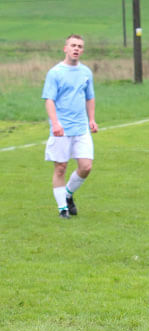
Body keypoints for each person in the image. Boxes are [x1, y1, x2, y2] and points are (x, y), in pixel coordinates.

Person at [42, 34, 98, 219]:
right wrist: (55, 123)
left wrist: (92, 119)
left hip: (81, 128)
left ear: (82, 50)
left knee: (86, 167)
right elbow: (49, 100)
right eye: (73, 45)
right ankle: (62, 209)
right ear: (65, 48)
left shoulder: (86, 72)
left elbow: (89, 97)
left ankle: (68, 194)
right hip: (62, 130)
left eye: (80, 46)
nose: (76, 49)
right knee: (60, 168)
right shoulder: (55, 73)